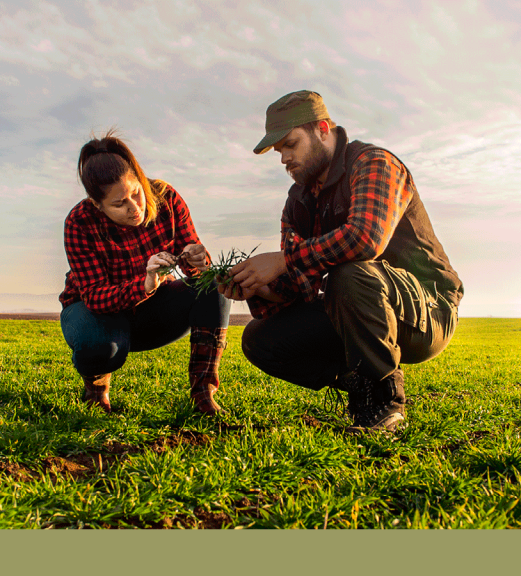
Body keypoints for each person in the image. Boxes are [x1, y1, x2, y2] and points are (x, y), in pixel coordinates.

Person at [219, 90, 464, 433]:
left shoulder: (374, 163)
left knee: (348, 272)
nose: (284, 158)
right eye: (279, 151)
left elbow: (365, 239)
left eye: (290, 144)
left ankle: (383, 403)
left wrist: (284, 260)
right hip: (353, 308)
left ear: (322, 128)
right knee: (260, 338)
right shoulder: (297, 202)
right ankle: (364, 382)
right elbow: (297, 285)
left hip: (426, 311)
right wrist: (258, 286)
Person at [59, 130, 231, 414]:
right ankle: (96, 389)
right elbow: (94, 297)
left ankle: (204, 393)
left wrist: (197, 258)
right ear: (97, 205)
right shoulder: (79, 223)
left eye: (136, 193)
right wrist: (146, 283)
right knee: (102, 346)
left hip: (153, 311)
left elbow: (194, 265)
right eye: (119, 204)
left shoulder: (166, 198)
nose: (135, 208)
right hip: (95, 312)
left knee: (212, 288)